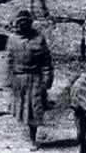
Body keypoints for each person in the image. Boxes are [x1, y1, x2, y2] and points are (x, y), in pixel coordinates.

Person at [6, 8, 53, 148]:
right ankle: (25, 135)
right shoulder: (12, 39)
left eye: (25, 23)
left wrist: (47, 79)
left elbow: (46, 62)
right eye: (19, 24)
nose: (22, 26)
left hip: (35, 79)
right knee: (21, 109)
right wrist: (7, 80)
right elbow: (8, 60)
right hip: (18, 78)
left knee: (34, 110)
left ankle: (33, 138)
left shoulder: (38, 39)